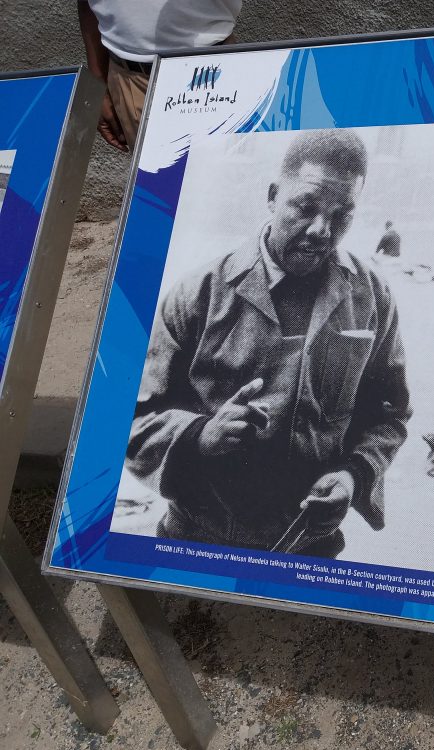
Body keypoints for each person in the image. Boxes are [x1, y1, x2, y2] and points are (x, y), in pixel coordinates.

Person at [126, 130, 411, 558]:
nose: (321, 229)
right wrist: (200, 436)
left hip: (311, 545)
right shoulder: (198, 294)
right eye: (306, 206)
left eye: (342, 215)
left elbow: (389, 414)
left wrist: (352, 477)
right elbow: (132, 418)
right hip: (197, 541)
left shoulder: (371, 297)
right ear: (274, 196)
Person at [78, 1, 243, 150]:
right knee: (158, 181)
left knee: (226, 174)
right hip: (130, 80)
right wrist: (97, 83)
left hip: (213, 72)